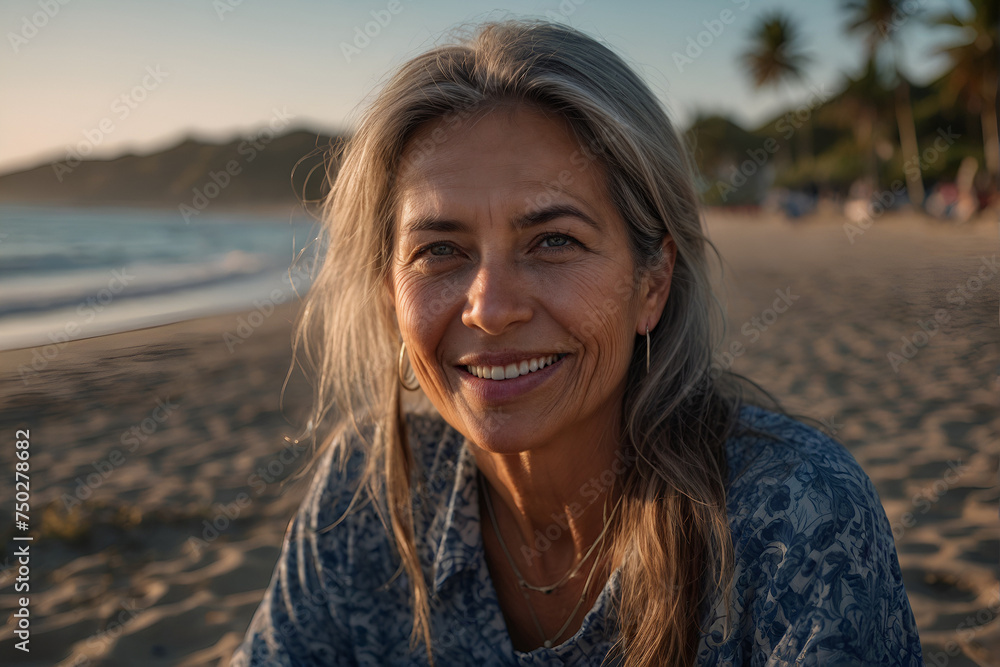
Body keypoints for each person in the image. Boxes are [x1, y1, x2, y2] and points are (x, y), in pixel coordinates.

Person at [231, 19, 922, 667]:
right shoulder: (369, 498)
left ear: (653, 281)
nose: (493, 307)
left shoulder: (794, 519)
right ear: (390, 295)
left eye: (554, 241)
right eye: (440, 249)